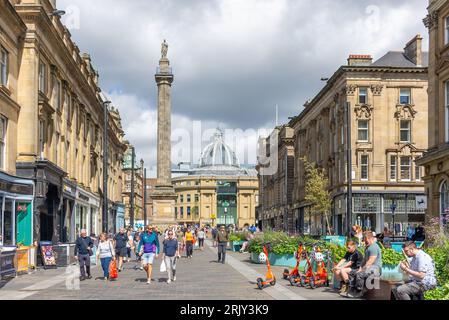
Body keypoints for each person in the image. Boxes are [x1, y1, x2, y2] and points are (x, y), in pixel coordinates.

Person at [347, 231, 382, 298]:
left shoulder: (373, 247)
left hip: (375, 270)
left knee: (359, 274)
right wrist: (360, 268)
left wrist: (362, 270)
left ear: (369, 238)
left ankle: (359, 291)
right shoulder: (368, 247)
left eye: (365, 239)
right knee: (352, 273)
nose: (364, 241)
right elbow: (364, 260)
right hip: (369, 269)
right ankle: (352, 289)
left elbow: (370, 261)